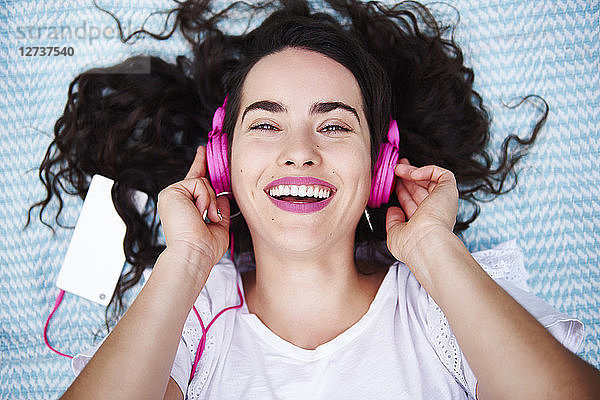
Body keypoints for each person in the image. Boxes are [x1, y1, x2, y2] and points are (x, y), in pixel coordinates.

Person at [29, 0, 600, 399]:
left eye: (333, 126)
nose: (300, 152)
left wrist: (432, 244)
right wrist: (185, 261)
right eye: (266, 125)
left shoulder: (443, 299)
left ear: (379, 166)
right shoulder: (189, 316)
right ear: (224, 160)